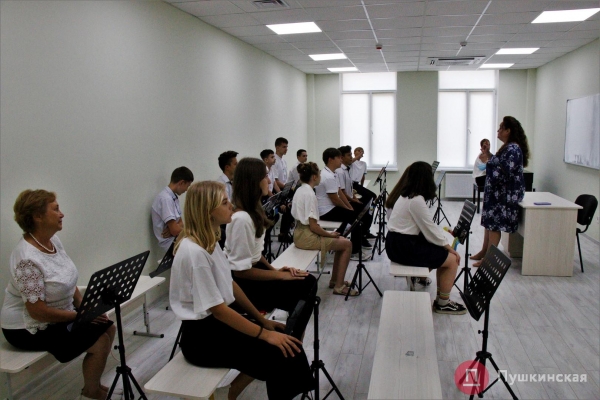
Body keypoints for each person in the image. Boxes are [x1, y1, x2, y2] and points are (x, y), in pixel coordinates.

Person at [169, 181, 314, 400]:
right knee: (283, 352)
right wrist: (265, 334)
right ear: (208, 211)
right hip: (202, 339)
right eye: (224, 202)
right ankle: (231, 393)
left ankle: (231, 393)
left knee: (287, 344)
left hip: (213, 327)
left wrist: (263, 322)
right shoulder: (195, 252)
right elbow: (219, 310)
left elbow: (230, 284)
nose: (231, 206)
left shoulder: (209, 241)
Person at [1, 190, 116, 400]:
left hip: (57, 313)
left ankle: (94, 384)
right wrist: (81, 316)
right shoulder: (26, 259)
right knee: (99, 341)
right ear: (38, 216)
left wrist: (85, 308)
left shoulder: (52, 240)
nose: (62, 214)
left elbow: (67, 279)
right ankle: (91, 391)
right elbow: (37, 312)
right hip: (26, 327)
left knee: (108, 327)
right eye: (56, 209)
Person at [225, 158, 317, 338]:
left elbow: (255, 254)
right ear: (253, 181)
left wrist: (275, 270)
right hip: (246, 286)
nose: (268, 180)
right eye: (265, 176)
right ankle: (292, 340)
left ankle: (292, 337)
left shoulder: (252, 211)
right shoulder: (241, 219)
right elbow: (240, 272)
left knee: (306, 281)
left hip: (253, 273)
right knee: (306, 285)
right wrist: (278, 276)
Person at [385, 162, 467, 315]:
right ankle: (443, 303)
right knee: (452, 260)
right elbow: (430, 229)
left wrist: (442, 244)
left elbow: (427, 228)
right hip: (403, 247)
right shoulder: (416, 200)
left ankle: (439, 297)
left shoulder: (405, 196)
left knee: (441, 254)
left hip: (395, 243)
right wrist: (448, 247)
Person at [292, 162, 358, 296]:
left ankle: (335, 280)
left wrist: (330, 234)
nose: (321, 177)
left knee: (342, 241)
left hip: (299, 233)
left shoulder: (301, 189)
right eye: (319, 174)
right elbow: (313, 226)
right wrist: (329, 234)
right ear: (314, 177)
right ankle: (339, 286)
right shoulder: (309, 194)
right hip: (306, 236)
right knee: (347, 244)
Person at [471, 116, 530, 266]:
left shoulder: (513, 149)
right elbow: (499, 163)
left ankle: (488, 259)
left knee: (494, 225)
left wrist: (489, 162)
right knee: (489, 223)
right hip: (497, 193)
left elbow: (504, 171)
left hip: (504, 195)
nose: (498, 131)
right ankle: (484, 251)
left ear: (508, 131)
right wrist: (489, 155)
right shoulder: (507, 147)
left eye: (501, 128)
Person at [316, 148, 371, 261]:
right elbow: (335, 199)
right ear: (330, 159)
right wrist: (348, 209)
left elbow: (339, 192)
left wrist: (349, 207)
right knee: (357, 221)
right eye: (338, 158)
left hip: (330, 208)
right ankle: (354, 252)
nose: (340, 160)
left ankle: (339, 242)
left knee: (354, 215)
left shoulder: (332, 173)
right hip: (326, 211)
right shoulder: (328, 176)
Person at [336, 145, 375, 249]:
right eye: (349, 155)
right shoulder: (340, 171)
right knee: (359, 217)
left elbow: (349, 188)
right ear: (341, 157)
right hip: (343, 203)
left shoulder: (346, 169)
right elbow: (341, 192)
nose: (351, 157)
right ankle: (356, 244)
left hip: (349, 198)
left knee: (367, 209)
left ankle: (363, 235)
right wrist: (351, 203)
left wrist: (354, 198)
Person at [151, 166, 194, 250]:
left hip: (176, 238)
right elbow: (175, 230)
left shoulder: (173, 197)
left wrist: (174, 228)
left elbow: (181, 223)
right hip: (171, 243)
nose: (186, 190)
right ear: (181, 183)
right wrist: (176, 229)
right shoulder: (165, 199)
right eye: (187, 186)